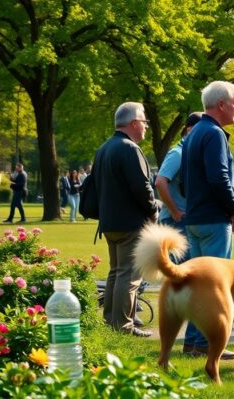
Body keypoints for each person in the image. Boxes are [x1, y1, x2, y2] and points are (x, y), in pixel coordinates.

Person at [180, 80, 234, 359]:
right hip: (213, 220)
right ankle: (206, 344)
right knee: (214, 285)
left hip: (195, 219)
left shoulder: (195, 132)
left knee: (198, 285)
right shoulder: (214, 134)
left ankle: (193, 343)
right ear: (221, 104)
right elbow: (219, 177)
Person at [94, 101, 159, 338]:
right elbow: (142, 187)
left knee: (116, 273)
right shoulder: (129, 149)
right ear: (133, 123)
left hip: (110, 222)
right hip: (130, 222)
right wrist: (153, 210)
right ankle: (122, 325)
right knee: (130, 277)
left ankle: (112, 321)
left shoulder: (105, 148)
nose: (146, 127)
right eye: (144, 122)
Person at [155, 112, 203, 235]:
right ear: (189, 129)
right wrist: (175, 211)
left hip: (182, 219)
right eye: (202, 128)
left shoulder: (189, 152)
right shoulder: (178, 153)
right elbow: (160, 182)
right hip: (175, 220)